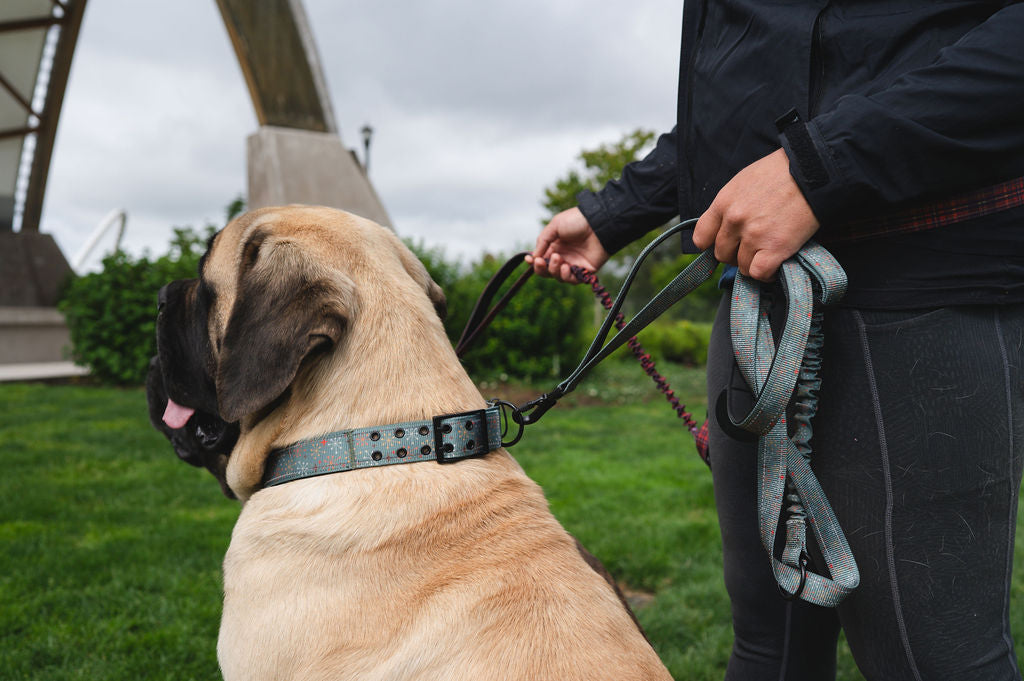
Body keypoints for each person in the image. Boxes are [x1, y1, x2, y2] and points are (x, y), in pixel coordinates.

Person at [527, 3, 1024, 680]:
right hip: (755, 300)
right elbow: (744, 91)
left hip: (921, 278)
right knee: (769, 647)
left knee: (934, 661)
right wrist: (612, 211)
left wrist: (820, 168)